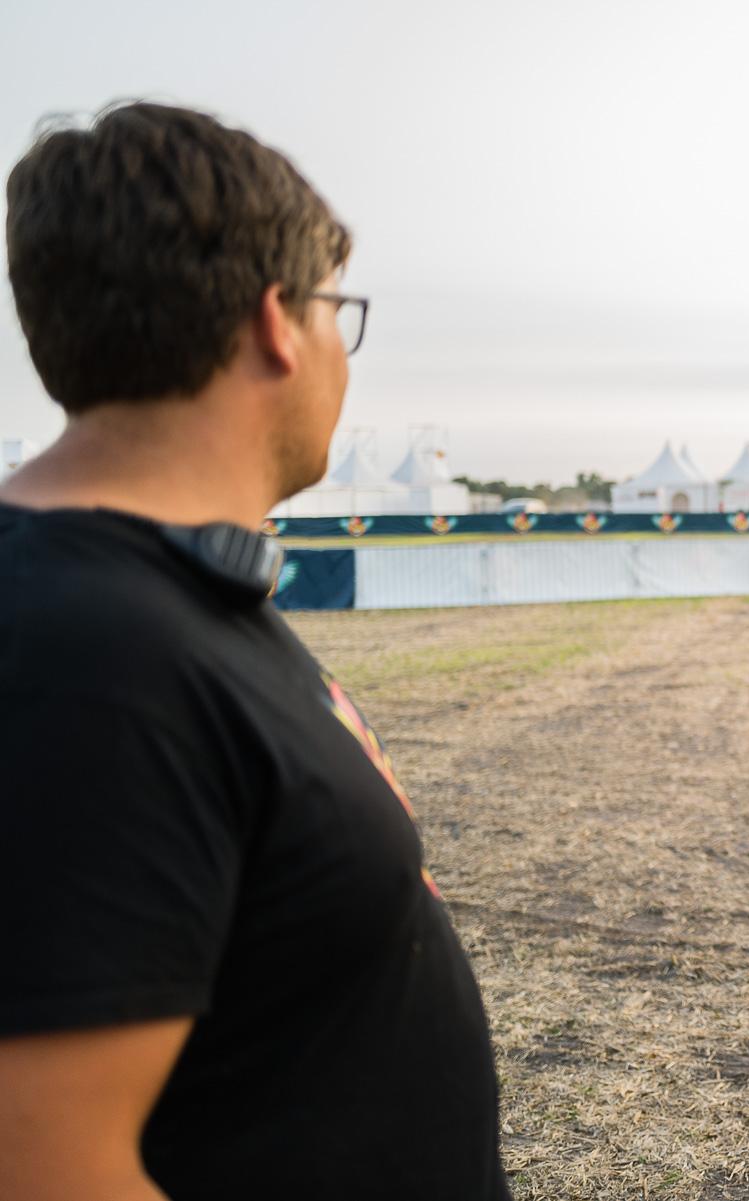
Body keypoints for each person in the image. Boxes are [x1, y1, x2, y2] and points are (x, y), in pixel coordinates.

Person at [0, 103, 509, 1200]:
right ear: (278, 320)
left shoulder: (146, 594)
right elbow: (44, 1163)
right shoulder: (85, 656)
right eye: (341, 312)